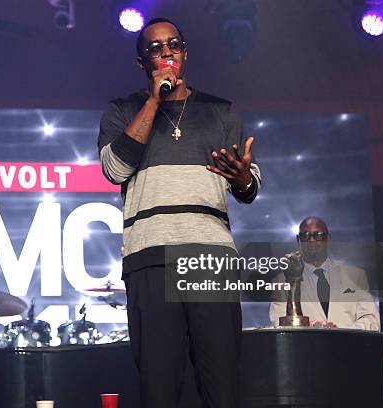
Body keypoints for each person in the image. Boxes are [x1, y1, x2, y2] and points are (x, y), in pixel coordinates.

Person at [97, 18, 261, 408]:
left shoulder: (220, 112)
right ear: (142, 62)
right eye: (155, 48)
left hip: (210, 257)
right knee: (159, 385)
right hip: (151, 257)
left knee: (221, 383)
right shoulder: (122, 110)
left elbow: (250, 188)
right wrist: (154, 100)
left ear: (185, 52)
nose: (166, 52)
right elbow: (115, 170)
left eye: (173, 44)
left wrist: (240, 178)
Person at [269, 216, 380, 331]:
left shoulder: (356, 276)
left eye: (318, 235)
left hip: (348, 346)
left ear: (328, 238)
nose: (311, 240)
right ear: (298, 240)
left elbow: (371, 320)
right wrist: (313, 328)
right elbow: (278, 324)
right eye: (305, 236)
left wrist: (341, 332)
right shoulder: (282, 281)